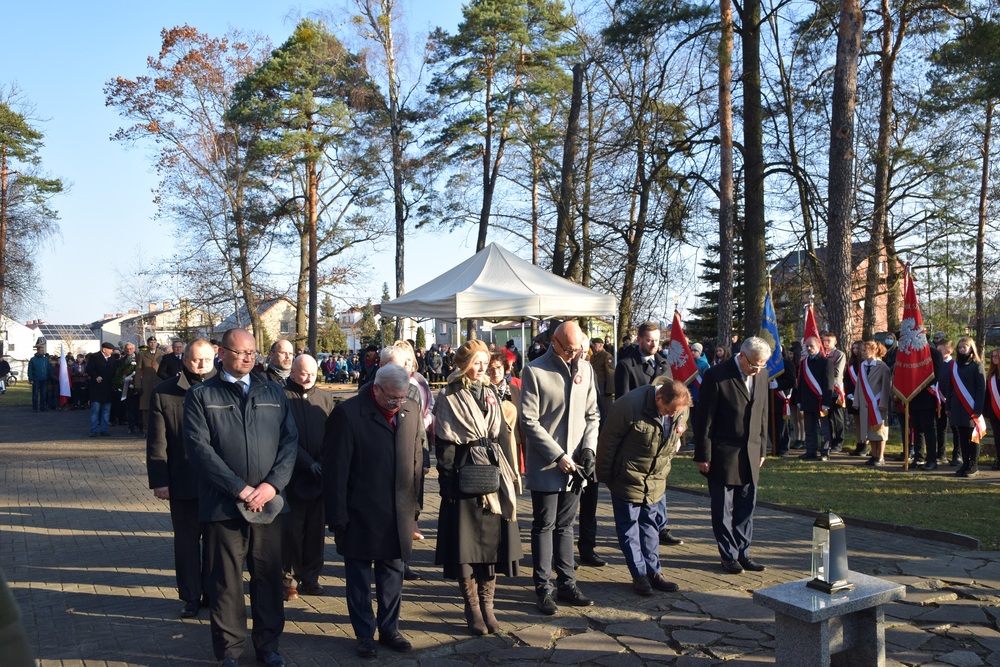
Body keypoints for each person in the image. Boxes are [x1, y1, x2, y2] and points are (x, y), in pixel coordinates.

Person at [183, 328, 298, 667]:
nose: (249, 357)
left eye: (253, 351)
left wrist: (272, 485)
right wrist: (240, 488)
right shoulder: (202, 395)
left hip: (270, 506)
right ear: (222, 353)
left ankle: (268, 646)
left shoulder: (273, 392)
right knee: (225, 583)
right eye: (240, 352)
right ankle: (230, 651)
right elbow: (199, 450)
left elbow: (290, 443)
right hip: (223, 507)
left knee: (268, 577)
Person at [324, 364, 423, 658]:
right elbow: (335, 470)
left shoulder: (411, 410)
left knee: (393, 573)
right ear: (376, 389)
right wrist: (337, 516)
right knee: (358, 578)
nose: (397, 404)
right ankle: (364, 634)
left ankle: (389, 629)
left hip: (398, 511)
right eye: (392, 398)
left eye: (402, 397)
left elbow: (416, 460)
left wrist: (415, 508)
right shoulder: (348, 414)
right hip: (359, 511)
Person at [434, 340, 522, 635]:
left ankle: (488, 606)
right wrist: (447, 479)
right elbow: (444, 442)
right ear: (463, 363)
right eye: (476, 361)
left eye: (485, 361)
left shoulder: (492, 393)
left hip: (493, 473)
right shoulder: (448, 395)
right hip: (465, 475)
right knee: (466, 547)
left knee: (492, 546)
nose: (482, 367)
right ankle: (472, 609)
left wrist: (509, 474)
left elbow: (500, 435)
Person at [520, 320, 600, 616]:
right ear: (553, 342)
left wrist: (589, 449)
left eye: (577, 349)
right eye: (568, 349)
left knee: (566, 526)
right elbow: (528, 420)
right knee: (544, 525)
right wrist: (558, 456)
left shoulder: (586, 369)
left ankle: (568, 583)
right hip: (547, 464)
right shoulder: (535, 370)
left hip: (577, 464)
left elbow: (592, 414)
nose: (573, 354)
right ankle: (543, 588)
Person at [596, 380, 691, 596]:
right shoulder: (627, 406)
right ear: (658, 399)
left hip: (655, 480)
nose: (671, 416)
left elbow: (674, 435)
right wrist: (606, 477)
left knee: (650, 527)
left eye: (675, 413)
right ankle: (638, 575)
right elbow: (607, 443)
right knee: (629, 528)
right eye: (668, 411)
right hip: (627, 478)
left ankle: (654, 572)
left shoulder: (679, 408)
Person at [146, 338, 217, 618]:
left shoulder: (224, 387)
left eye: (208, 360)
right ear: (184, 359)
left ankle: (214, 594)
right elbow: (157, 441)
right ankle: (190, 596)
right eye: (197, 359)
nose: (202, 365)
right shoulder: (164, 392)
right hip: (182, 480)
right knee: (187, 543)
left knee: (216, 544)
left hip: (218, 483)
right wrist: (159, 480)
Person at [694, 337, 771, 575]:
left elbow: (763, 412)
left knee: (746, 506)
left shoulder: (762, 375)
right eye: (754, 365)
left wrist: (762, 448)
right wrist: (703, 454)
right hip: (723, 453)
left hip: (750, 451)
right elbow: (704, 419)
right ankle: (728, 555)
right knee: (723, 508)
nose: (757, 369)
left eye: (762, 365)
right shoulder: (716, 376)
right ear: (741, 356)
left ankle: (743, 552)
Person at [613, 321, 681, 547]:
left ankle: (660, 526)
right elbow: (622, 401)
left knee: (659, 481)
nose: (654, 344)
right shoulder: (626, 365)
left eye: (657, 340)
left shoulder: (663, 363)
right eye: (650, 340)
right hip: (639, 434)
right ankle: (644, 527)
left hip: (663, 433)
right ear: (639, 339)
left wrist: (676, 432)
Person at [280, 354, 335, 602]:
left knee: (315, 531)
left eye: (312, 374)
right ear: (292, 372)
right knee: (292, 532)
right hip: (292, 476)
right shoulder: (282, 396)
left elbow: (333, 433)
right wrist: (306, 462)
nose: (308, 378)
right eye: (303, 373)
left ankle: (311, 577)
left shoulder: (324, 398)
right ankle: (289, 580)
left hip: (319, 477)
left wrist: (324, 461)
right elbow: (283, 436)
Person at [944, 337, 987, 477]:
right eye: (960, 347)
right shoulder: (955, 366)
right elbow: (950, 388)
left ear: (971, 348)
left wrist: (978, 410)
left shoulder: (977, 365)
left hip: (972, 407)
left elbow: (981, 389)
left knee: (973, 437)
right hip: (957, 406)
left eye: (965, 347)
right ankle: (965, 464)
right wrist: (948, 406)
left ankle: (974, 465)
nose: (962, 349)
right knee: (962, 436)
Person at [794, 336, 832, 461]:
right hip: (807, 400)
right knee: (809, 428)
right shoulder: (804, 363)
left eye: (812, 346)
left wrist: (826, 402)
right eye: (807, 346)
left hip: (821, 401)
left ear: (818, 346)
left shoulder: (826, 362)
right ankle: (811, 450)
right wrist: (799, 399)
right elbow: (801, 383)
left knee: (823, 428)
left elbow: (828, 384)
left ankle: (825, 452)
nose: (809, 348)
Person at [854, 341, 892, 467]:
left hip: (877, 404)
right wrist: (856, 401)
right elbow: (859, 384)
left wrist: (883, 403)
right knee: (870, 431)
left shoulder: (883, 367)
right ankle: (874, 455)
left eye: (865, 350)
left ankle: (881, 456)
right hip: (865, 403)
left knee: (880, 432)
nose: (862, 352)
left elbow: (886, 387)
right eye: (862, 350)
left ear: (874, 350)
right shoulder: (863, 366)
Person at [822, 332, 847, 453]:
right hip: (824, 389)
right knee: (828, 417)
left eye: (829, 341)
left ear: (835, 342)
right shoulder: (822, 354)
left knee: (837, 417)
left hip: (835, 389)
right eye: (825, 340)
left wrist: (823, 370)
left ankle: (839, 441)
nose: (826, 343)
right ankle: (829, 441)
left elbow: (837, 371)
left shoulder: (839, 354)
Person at [87, 343, 117, 436]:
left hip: (108, 388)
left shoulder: (112, 358)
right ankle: (94, 430)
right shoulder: (95, 357)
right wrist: (95, 376)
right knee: (95, 410)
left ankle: (104, 429)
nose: (112, 351)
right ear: (104, 349)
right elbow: (89, 369)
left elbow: (114, 370)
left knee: (106, 410)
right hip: (97, 388)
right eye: (110, 349)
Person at [136, 336, 163, 431]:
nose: (153, 344)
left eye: (154, 342)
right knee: (146, 407)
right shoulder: (142, 355)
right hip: (146, 384)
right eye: (151, 342)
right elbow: (138, 370)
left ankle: (157, 429)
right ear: (148, 343)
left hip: (158, 383)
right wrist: (138, 385)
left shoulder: (162, 354)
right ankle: (146, 428)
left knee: (158, 406)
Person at [589, 337, 615, 417]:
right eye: (592, 344)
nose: (593, 346)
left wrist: (609, 390)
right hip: (595, 387)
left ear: (601, 345)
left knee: (605, 412)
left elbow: (610, 374)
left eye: (595, 344)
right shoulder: (593, 357)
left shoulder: (607, 356)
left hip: (604, 390)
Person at [986, 347, 1000, 471]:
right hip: (995, 412)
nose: (994, 358)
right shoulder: (991, 376)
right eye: (993, 356)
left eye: (997, 356)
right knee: (998, 437)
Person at [28, 346, 50, 412]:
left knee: (43, 394)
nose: (42, 351)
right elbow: (30, 370)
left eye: (43, 350)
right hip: (36, 379)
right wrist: (30, 379)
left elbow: (48, 369)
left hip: (44, 379)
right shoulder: (33, 359)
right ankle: (35, 408)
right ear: (37, 351)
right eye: (41, 350)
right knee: (35, 394)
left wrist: (48, 377)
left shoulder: (45, 359)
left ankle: (42, 407)